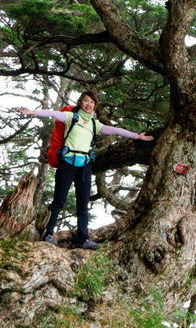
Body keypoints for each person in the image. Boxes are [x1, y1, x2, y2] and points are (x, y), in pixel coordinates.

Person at [17, 90, 153, 249]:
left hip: (84, 165)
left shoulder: (95, 124)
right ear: (80, 102)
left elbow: (116, 130)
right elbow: (52, 113)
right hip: (67, 163)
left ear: (95, 106)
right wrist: (32, 112)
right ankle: (48, 233)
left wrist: (137, 136)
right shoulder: (71, 117)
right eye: (86, 101)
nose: (89, 104)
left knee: (83, 203)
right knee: (59, 200)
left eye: (92, 102)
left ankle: (83, 239)